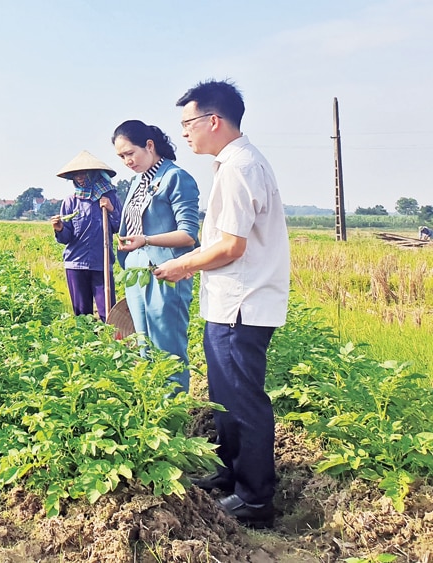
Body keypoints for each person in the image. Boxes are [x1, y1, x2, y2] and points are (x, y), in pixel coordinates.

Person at [154, 79, 290, 528]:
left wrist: (183, 265)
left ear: (213, 120)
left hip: (242, 306)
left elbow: (231, 246)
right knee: (225, 398)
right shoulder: (233, 164)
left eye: (188, 123)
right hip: (230, 303)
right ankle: (232, 474)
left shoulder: (238, 168)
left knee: (243, 400)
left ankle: (254, 498)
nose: (185, 133)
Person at [112, 120, 200, 394]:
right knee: (143, 347)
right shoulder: (137, 182)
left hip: (166, 269)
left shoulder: (176, 178)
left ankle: (174, 416)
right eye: (121, 157)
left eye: (130, 153)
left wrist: (146, 239)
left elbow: (188, 234)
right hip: (135, 269)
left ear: (149, 146)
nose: (127, 161)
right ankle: (152, 413)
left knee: (167, 350)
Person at [50, 150, 122, 321]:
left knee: (108, 311)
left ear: (94, 174)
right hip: (76, 262)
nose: (80, 177)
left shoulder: (109, 197)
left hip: (101, 261)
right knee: (82, 314)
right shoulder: (70, 201)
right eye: (76, 175)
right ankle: (86, 345)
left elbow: (119, 227)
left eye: (84, 173)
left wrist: (111, 210)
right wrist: (59, 228)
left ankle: (109, 344)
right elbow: (66, 238)